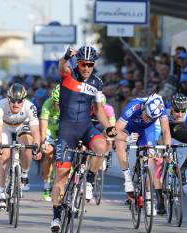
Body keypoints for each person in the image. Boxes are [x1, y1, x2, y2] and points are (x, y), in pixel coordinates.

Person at [50, 46, 116, 232]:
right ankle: (56, 217)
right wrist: (66, 57)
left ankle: (89, 180)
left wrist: (108, 127)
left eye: (90, 65)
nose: (86, 68)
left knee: (102, 146)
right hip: (67, 129)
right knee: (61, 177)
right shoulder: (68, 75)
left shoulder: (97, 82)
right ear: (77, 63)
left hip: (86, 126)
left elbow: (99, 110)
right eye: (83, 64)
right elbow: (62, 65)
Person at [114, 93, 172, 216]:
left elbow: (166, 131)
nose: (147, 119)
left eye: (151, 118)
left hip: (147, 131)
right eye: (147, 115)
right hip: (129, 128)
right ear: (144, 107)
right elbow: (116, 130)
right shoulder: (134, 106)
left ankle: (149, 198)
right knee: (119, 142)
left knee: (148, 160)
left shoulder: (161, 110)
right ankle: (128, 178)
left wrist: (167, 150)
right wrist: (127, 139)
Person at [0, 83, 41, 209]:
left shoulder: (30, 107)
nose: (16, 104)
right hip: (5, 128)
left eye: (19, 101)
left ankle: (24, 173)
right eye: (13, 101)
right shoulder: (0, 106)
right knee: (4, 156)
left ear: (24, 100)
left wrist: (37, 147)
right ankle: (1, 194)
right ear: (8, 99)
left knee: (28, 146)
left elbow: (35, 130)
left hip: (22, 126)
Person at [40, 84, 60, 202]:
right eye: (56, 102)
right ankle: (46, 184)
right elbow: (43, 127)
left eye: (60, 103)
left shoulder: (70, 104)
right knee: (48, 153)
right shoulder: (48, 104)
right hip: (50, 130)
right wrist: (43, 142)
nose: (58, 105)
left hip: (64, 130)